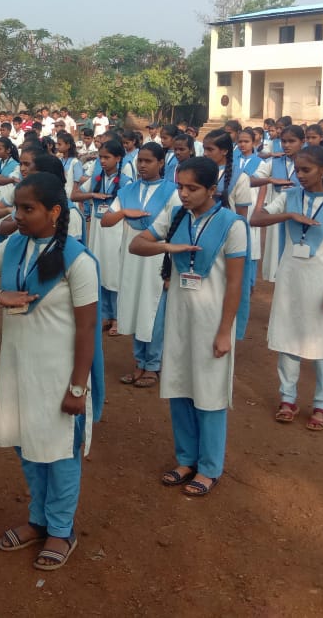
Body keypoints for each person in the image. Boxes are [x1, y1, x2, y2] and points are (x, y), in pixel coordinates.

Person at [0, 172, 103, 571]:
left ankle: (61, 529)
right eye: (16, 207)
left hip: (59, 375)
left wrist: (78, 387)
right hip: (18, 366)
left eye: (28, 209)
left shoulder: (78, 260)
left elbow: (88, 328)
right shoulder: (13, 246)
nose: (18, 216)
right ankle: (39, 520)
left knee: (59, 451)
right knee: (27, 445)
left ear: (54, 211)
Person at [129, 157, 250, 497]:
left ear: (212, 189)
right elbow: (137, 245)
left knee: (209, 392)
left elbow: (236, 284)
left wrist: (225, 331)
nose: (183, 193)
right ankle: (186, 459)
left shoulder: (233, 225)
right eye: (180, 186)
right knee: (180, 387)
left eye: (192, 188)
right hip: (179, 317)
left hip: (213, 321)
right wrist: (167, 246)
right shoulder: (176, 215)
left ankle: (209, 467)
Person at [251, 145, 323, 432]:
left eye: (306, 170)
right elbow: (256, 219)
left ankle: (321, 404)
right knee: (288, 337)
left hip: (321, 280)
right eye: (297, 170)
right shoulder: (290, 196)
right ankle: (288, 398)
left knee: (322, 342)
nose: (300, 175)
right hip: (291, 277)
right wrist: (288, 216)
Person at [101, 143, 178, 387]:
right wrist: (124, 213)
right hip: (132, 258)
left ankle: (152, 365)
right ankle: (139, 362)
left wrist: (171, 270)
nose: (142, 165)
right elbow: (105, 220)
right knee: (134, 307)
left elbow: (175, 230)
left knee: (153, 310)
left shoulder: (172, 192)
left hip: (158, 259)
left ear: (161, 163)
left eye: (148, 161)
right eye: (140, 160)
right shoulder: (127, 191)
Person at [72, 138, 127, 335]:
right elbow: (74, 195)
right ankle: (105, 315)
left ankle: (118, 318)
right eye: (100, 157)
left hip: (116, 232)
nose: (102, 161)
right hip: (98, 231)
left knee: (114, 273)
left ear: (118, 158)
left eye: (107, 157)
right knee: (101, 271)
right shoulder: (97, 179)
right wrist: (92, 196)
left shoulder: (126, 181)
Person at [250, 125, 304, 283]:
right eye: (284, 141)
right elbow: (250, 180)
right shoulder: (274, 162)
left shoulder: (309, 162)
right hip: (276, 210)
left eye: (291, 141)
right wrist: (269, 179)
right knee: (276, 247)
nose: (286, 145)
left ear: (302, 142)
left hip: (300, 209)